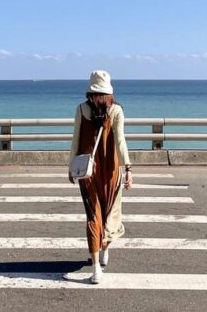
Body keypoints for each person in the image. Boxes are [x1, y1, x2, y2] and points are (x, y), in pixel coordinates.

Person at [68, 70, 133, 284]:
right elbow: (121, 142)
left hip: (88, 172)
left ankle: (96, 268)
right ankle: (104, 249)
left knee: (93, 216)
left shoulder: (81, 109)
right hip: (112, 172)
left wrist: (70, 167)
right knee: (110, 213)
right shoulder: (116, 110)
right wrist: (129, 168)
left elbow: (75, 140)